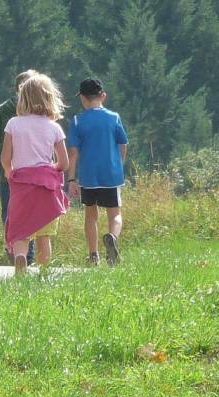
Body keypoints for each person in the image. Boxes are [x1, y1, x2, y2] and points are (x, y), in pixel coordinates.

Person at [1, 73, 70, 275]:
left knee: (20, 231)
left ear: (23, 98)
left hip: (21, 184)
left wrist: (9, 172)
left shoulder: (14, 123)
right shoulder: (54, 127)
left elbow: (5, 157)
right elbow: (64, 163)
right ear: (50, 98)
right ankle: (44, 271)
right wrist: (51, 169)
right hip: (46, 186)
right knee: (44, 234)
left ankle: (20, 259)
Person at [0, 70, 39, 264]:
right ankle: (28, 255)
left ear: (15, 88)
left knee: (10, 213)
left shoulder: (3, 110)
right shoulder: (42, 112)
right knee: (33, 213)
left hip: (9, 173)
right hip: (35, 174)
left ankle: (15, 249)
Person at [66, 78, 128, 266]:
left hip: (88, 176)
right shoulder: (114, 117)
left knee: (91, 216)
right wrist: (119, 164)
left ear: (83, 98)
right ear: (103, 96)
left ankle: (93, 255)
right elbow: (123, 145)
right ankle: (112, 238)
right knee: (115, 214)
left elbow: (73, 153)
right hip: (111, 174)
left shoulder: (77, 121)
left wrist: (71, 179)